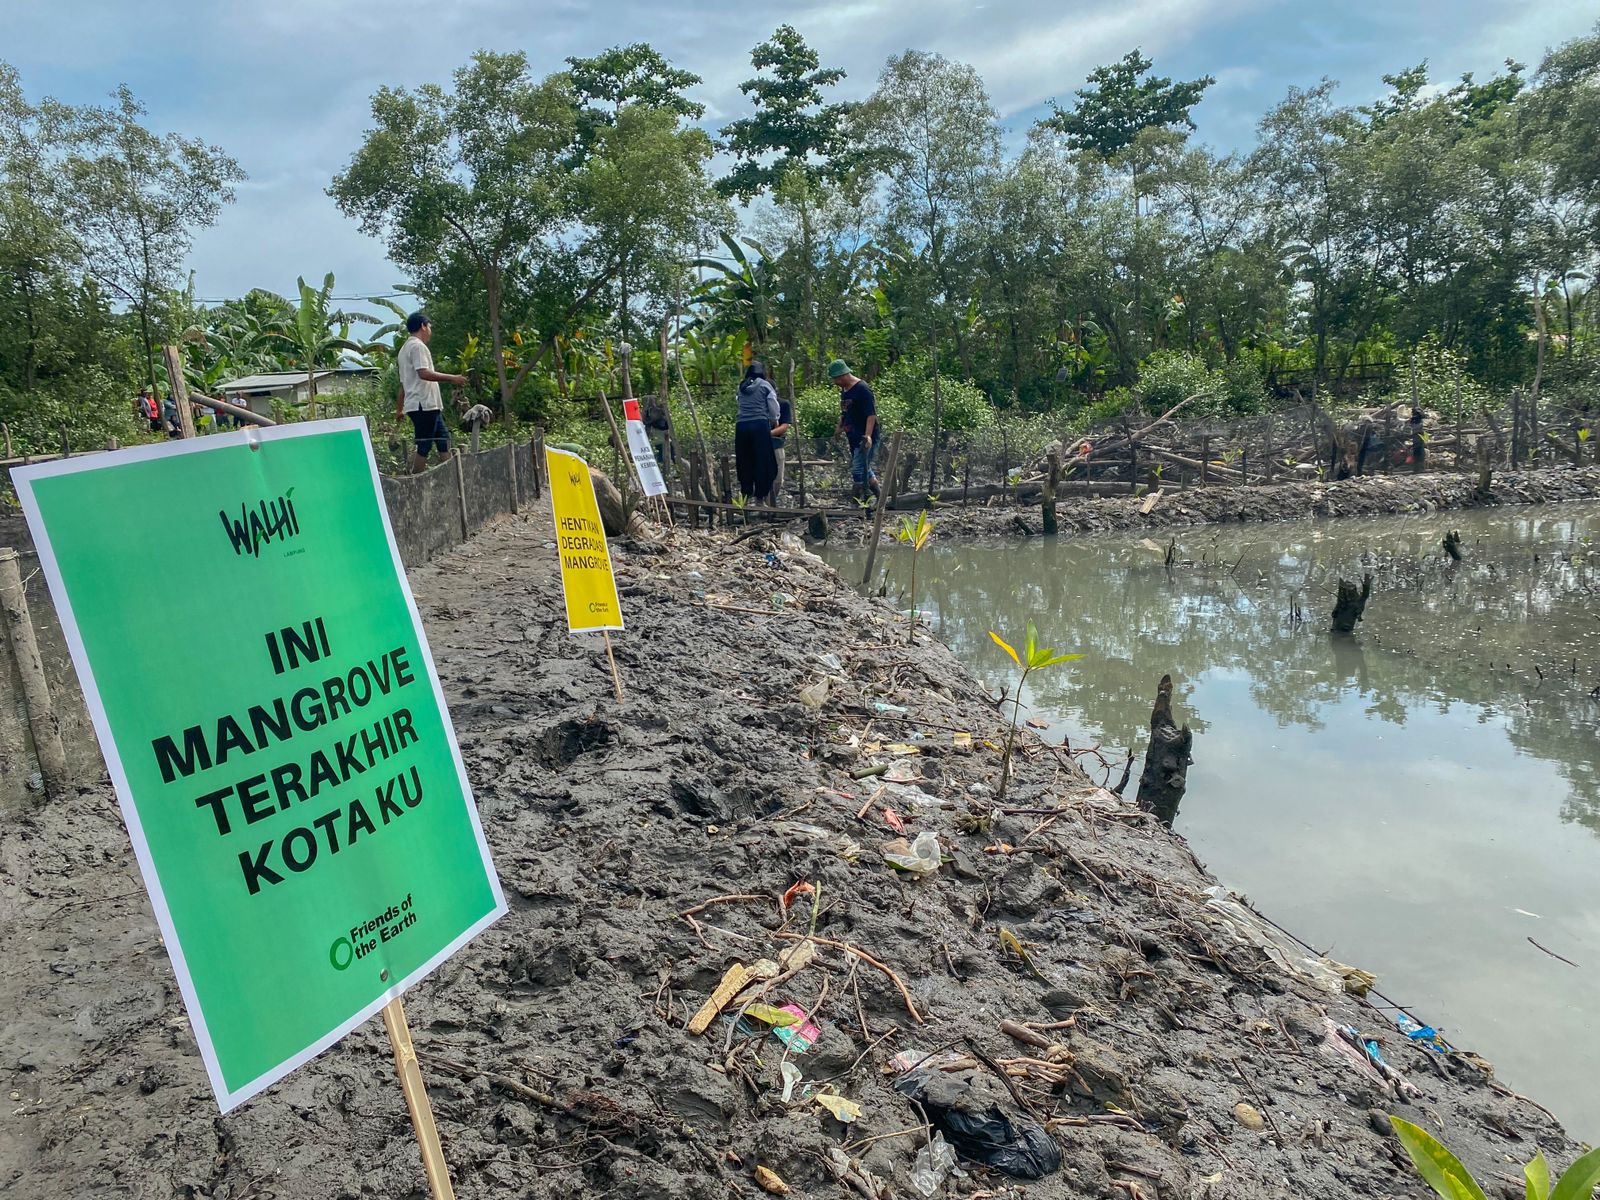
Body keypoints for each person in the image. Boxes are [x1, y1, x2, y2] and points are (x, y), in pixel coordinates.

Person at [394, 312, 466, 473]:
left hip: (426, 405)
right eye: (430, 327)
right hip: (424, 404)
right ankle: (415, 481)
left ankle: (451, 477)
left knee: (443, 440)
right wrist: (453, 378)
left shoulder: (404, 349)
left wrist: (399, 409)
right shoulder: (418, 346)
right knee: (424, 445)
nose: (430, 331)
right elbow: (423, 373)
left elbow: (403, 385)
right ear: (423, 326)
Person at [829, 359, 879, 500]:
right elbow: (845, 412)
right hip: (853, 435)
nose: (835, 382)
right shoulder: (844, 391)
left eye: (836, 379)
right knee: (865, 469)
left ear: (843, 375)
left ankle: (859, 501)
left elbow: (871, 415)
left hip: (866, 437)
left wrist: (868, 436)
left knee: (858, 469)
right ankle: (880, 499)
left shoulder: (863, 389)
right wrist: (839, 428)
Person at [733, 361, 779, 504]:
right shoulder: (765, 385)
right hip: (759, 425)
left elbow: (739, 403)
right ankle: (761, 497)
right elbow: (772, 403)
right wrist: (774, 419)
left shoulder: (741, 386)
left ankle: (745, 496)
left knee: (744, 460)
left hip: (741, 427)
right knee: (763, 460)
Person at [768, 389, 793, 506]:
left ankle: (770, 503)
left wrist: (767, 433)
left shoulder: (783, 404)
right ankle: (762, 503)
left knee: (778, 478)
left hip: (776, 444)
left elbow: (784, 426)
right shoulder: (757, 406)